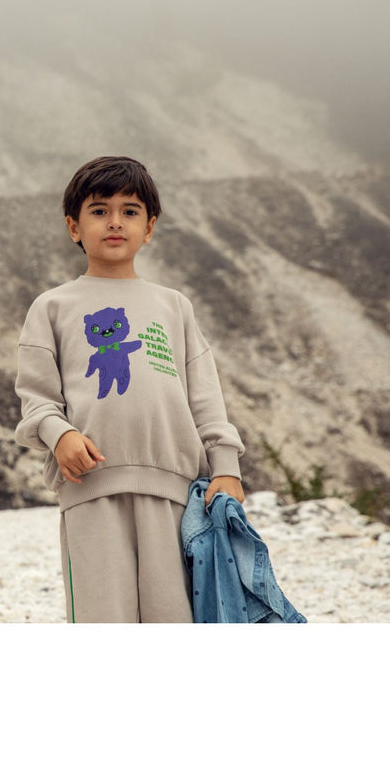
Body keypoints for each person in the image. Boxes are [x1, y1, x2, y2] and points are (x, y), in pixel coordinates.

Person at [14, 155, 245, 623]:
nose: (115, 222)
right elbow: (37, 398)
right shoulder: (52, 307)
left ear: (149, 227)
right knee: (104, 615)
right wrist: (60, 435)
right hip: (90, 488)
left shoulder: (174, 306)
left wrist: (226, 466)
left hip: (177, 495)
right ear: (74, 227)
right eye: (99, 211)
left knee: (174, 618)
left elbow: (205, 397)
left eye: (130, 211)